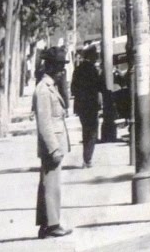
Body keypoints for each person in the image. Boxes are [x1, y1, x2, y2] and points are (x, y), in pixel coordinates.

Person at [34, 48, 72, 238]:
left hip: (55, 142)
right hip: (52, 144)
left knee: (48, 183)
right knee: (52, 185)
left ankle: (46, 223)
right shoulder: (43, 90)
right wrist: (53, 147)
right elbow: (44, 122)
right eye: (58, 67)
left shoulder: (52, 86)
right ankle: (53, 224)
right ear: (49, 67)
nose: (61, 71)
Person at [70, 45, 102, 168]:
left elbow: (73, 88)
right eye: (95, 55)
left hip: (81, 106)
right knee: (93, 131)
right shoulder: (93, 70)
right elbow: (99, 86)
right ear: (91, 56)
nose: (97, 57)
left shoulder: (78, 69)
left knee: (85, 131)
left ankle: (86, 157)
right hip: (91, 105)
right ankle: (88, 159)